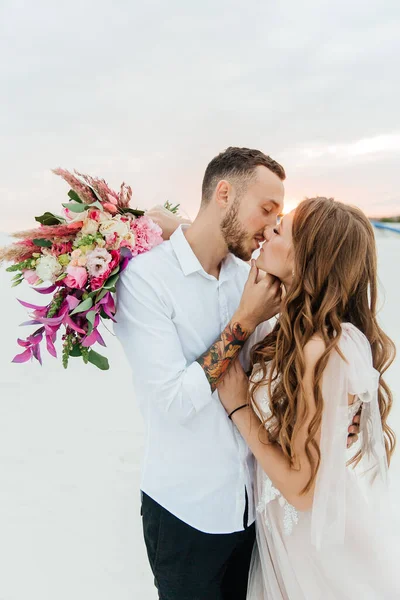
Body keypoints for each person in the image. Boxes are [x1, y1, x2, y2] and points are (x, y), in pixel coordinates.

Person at [114, 149, 359, 600]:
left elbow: (308, 330)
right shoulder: (146, 280)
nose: (269, 227)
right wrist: (242, 323)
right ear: (224, 193)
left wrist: (337, 406)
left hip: (255, 509)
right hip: (187, 512)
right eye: (266, 210)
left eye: (278, 218)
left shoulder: (252, 274)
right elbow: (173, 402)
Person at [217, 197, 399, 599]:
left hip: (311, 546)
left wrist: (239, 406)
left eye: (279, 229)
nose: (267, 232)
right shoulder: (293, 328)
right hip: (283, 533)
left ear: (306, 260)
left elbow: (302, 489)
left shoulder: (326, 349)